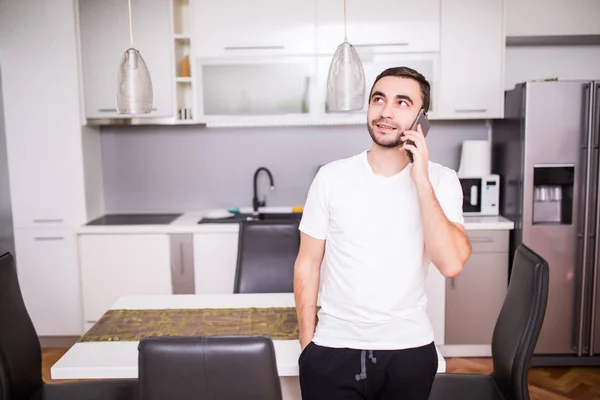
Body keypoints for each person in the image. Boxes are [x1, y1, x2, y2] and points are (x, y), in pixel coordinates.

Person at [293, 66, 472, 399]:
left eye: (402, 103)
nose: (386, 111)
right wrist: (308, 345)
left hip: (409, 349)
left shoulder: (442, 181)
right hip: (332, 347)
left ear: (422, 118)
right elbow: (307, 262)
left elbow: (450, 264)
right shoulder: (331, 177)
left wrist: (420, 180)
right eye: (379, 99)